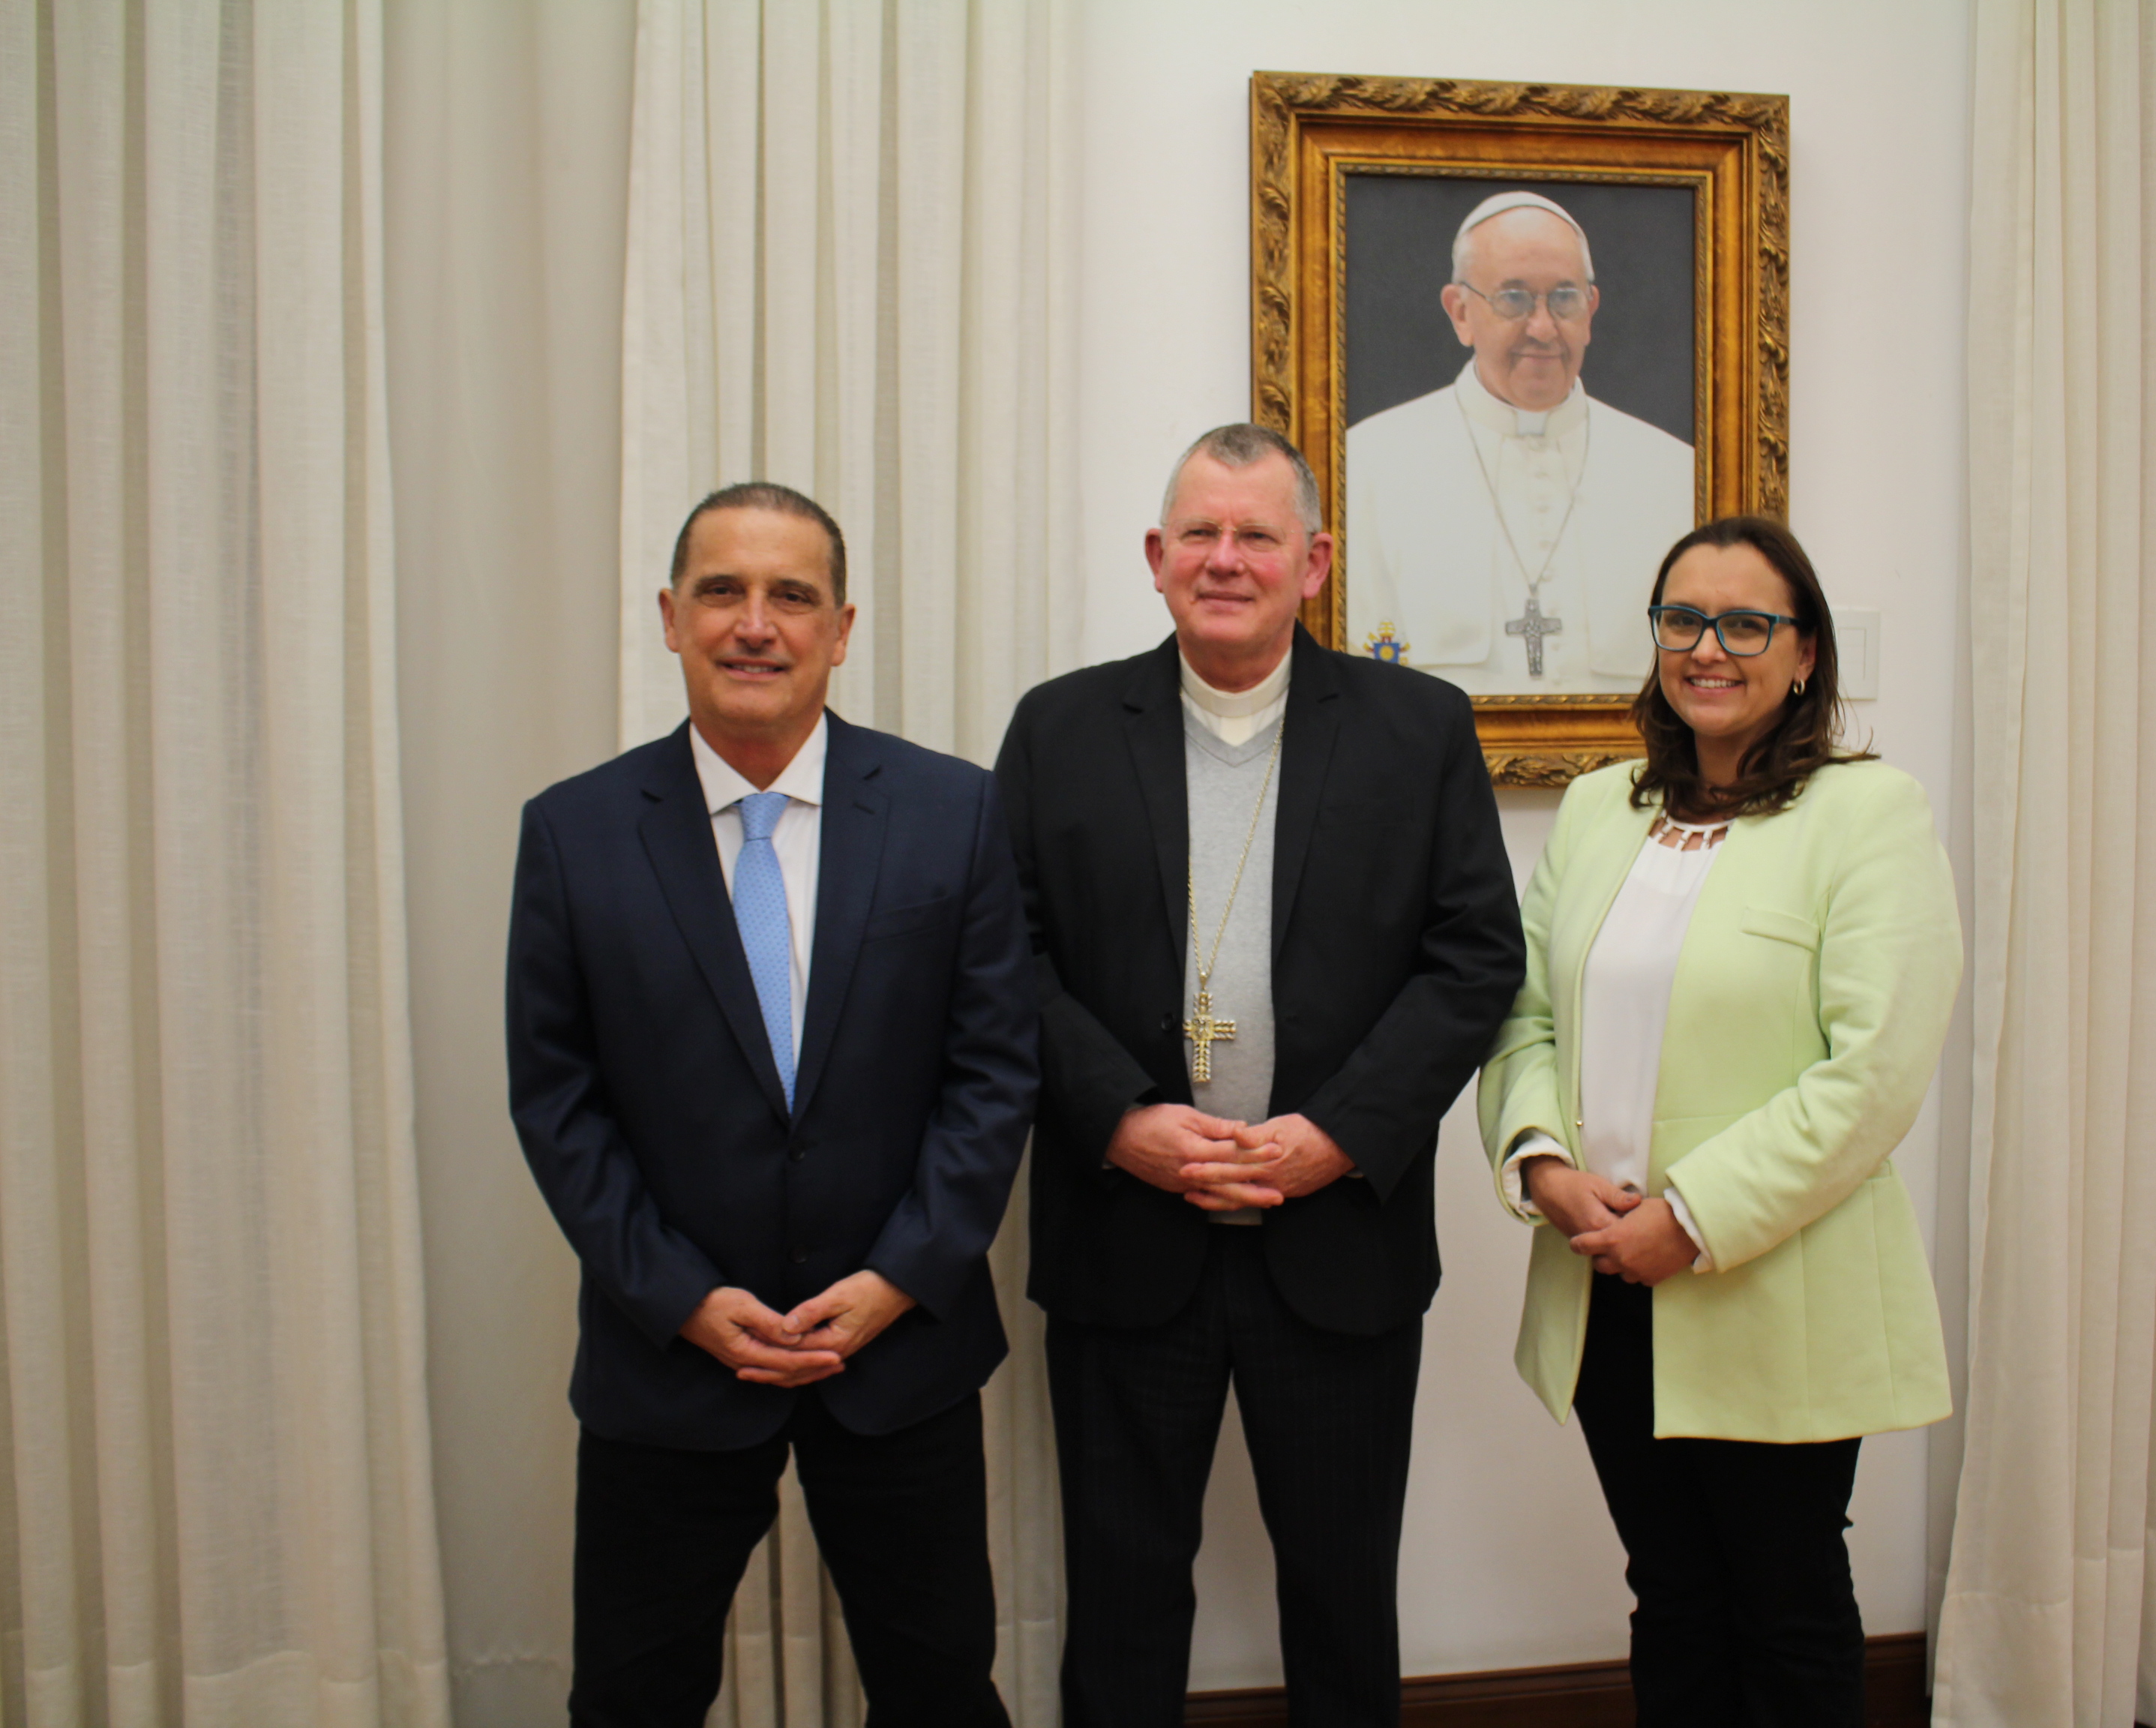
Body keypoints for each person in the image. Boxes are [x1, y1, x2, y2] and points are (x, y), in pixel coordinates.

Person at [995, 424, 1525, 1726]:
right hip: (1128, 1236)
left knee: (1342, 1600)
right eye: (1199, 534)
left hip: (1336, 1240)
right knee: (1121, 1601)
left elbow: (1474, 957)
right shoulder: (1059, 727)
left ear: (1315, 560)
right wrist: (1117, 1120)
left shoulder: (1416, 728)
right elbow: (998, 953)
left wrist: (1337, 1134)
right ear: (1155, 555)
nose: (1224, 559)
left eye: (1257, 536)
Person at [505, 482, 1038, 1727]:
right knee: (634, 1694)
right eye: (722, 591)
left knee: (941, 1686)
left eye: (791, 595)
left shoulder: (951, 812)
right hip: (669, 1359)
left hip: (896, 1349)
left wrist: (901, 1275)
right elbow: (557, 1096)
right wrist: (680, 1296)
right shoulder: (575, 833)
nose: (757, 622)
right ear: (670, 617)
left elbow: (993, 1069)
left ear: (841, 627)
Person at [1477, 518, 1961, 1726]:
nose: (1710, 647)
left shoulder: (1870, 815)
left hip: (1772, 1288)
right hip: (1604, 1282)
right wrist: (1543, 1169)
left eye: (1748, 623)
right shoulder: (1598, 810)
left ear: (1805, 656)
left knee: (1787, 1605)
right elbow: (1523, 1016)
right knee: (1673, 1596)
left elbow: (1875, 1072)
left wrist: (1691, 1219)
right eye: (1683, 620)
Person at [1345, 189, 1696, 694]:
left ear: (1591, 310)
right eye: (1513, 298)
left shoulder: (1674, 473)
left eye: (1565, 298)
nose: (1543, 327)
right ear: (1460, 312)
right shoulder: (1366, 468)